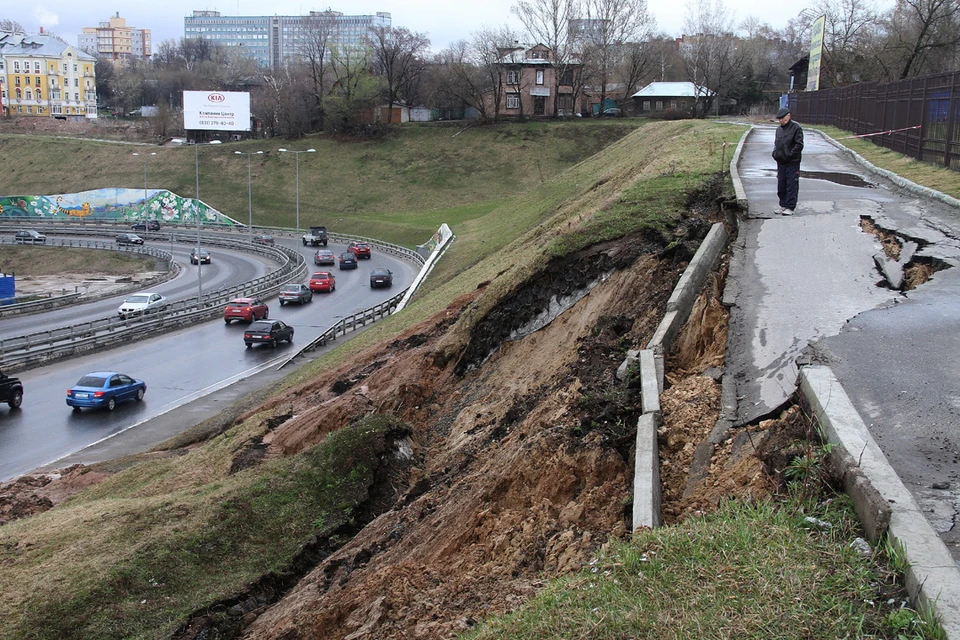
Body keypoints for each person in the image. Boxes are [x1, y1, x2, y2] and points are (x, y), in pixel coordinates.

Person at [772, 107, 803, 215]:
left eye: (783, 118)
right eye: (779, 119)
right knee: (781, 184)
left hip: (792, 162)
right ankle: (783, 204)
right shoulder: (779, 130)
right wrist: (775, 153)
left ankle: (790, 206)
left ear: (788, 116)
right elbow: (777, 143)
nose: (781, 120)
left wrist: (789, 155)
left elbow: (799, 145)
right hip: (781, 162)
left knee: (791, 184)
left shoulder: (796, 128)